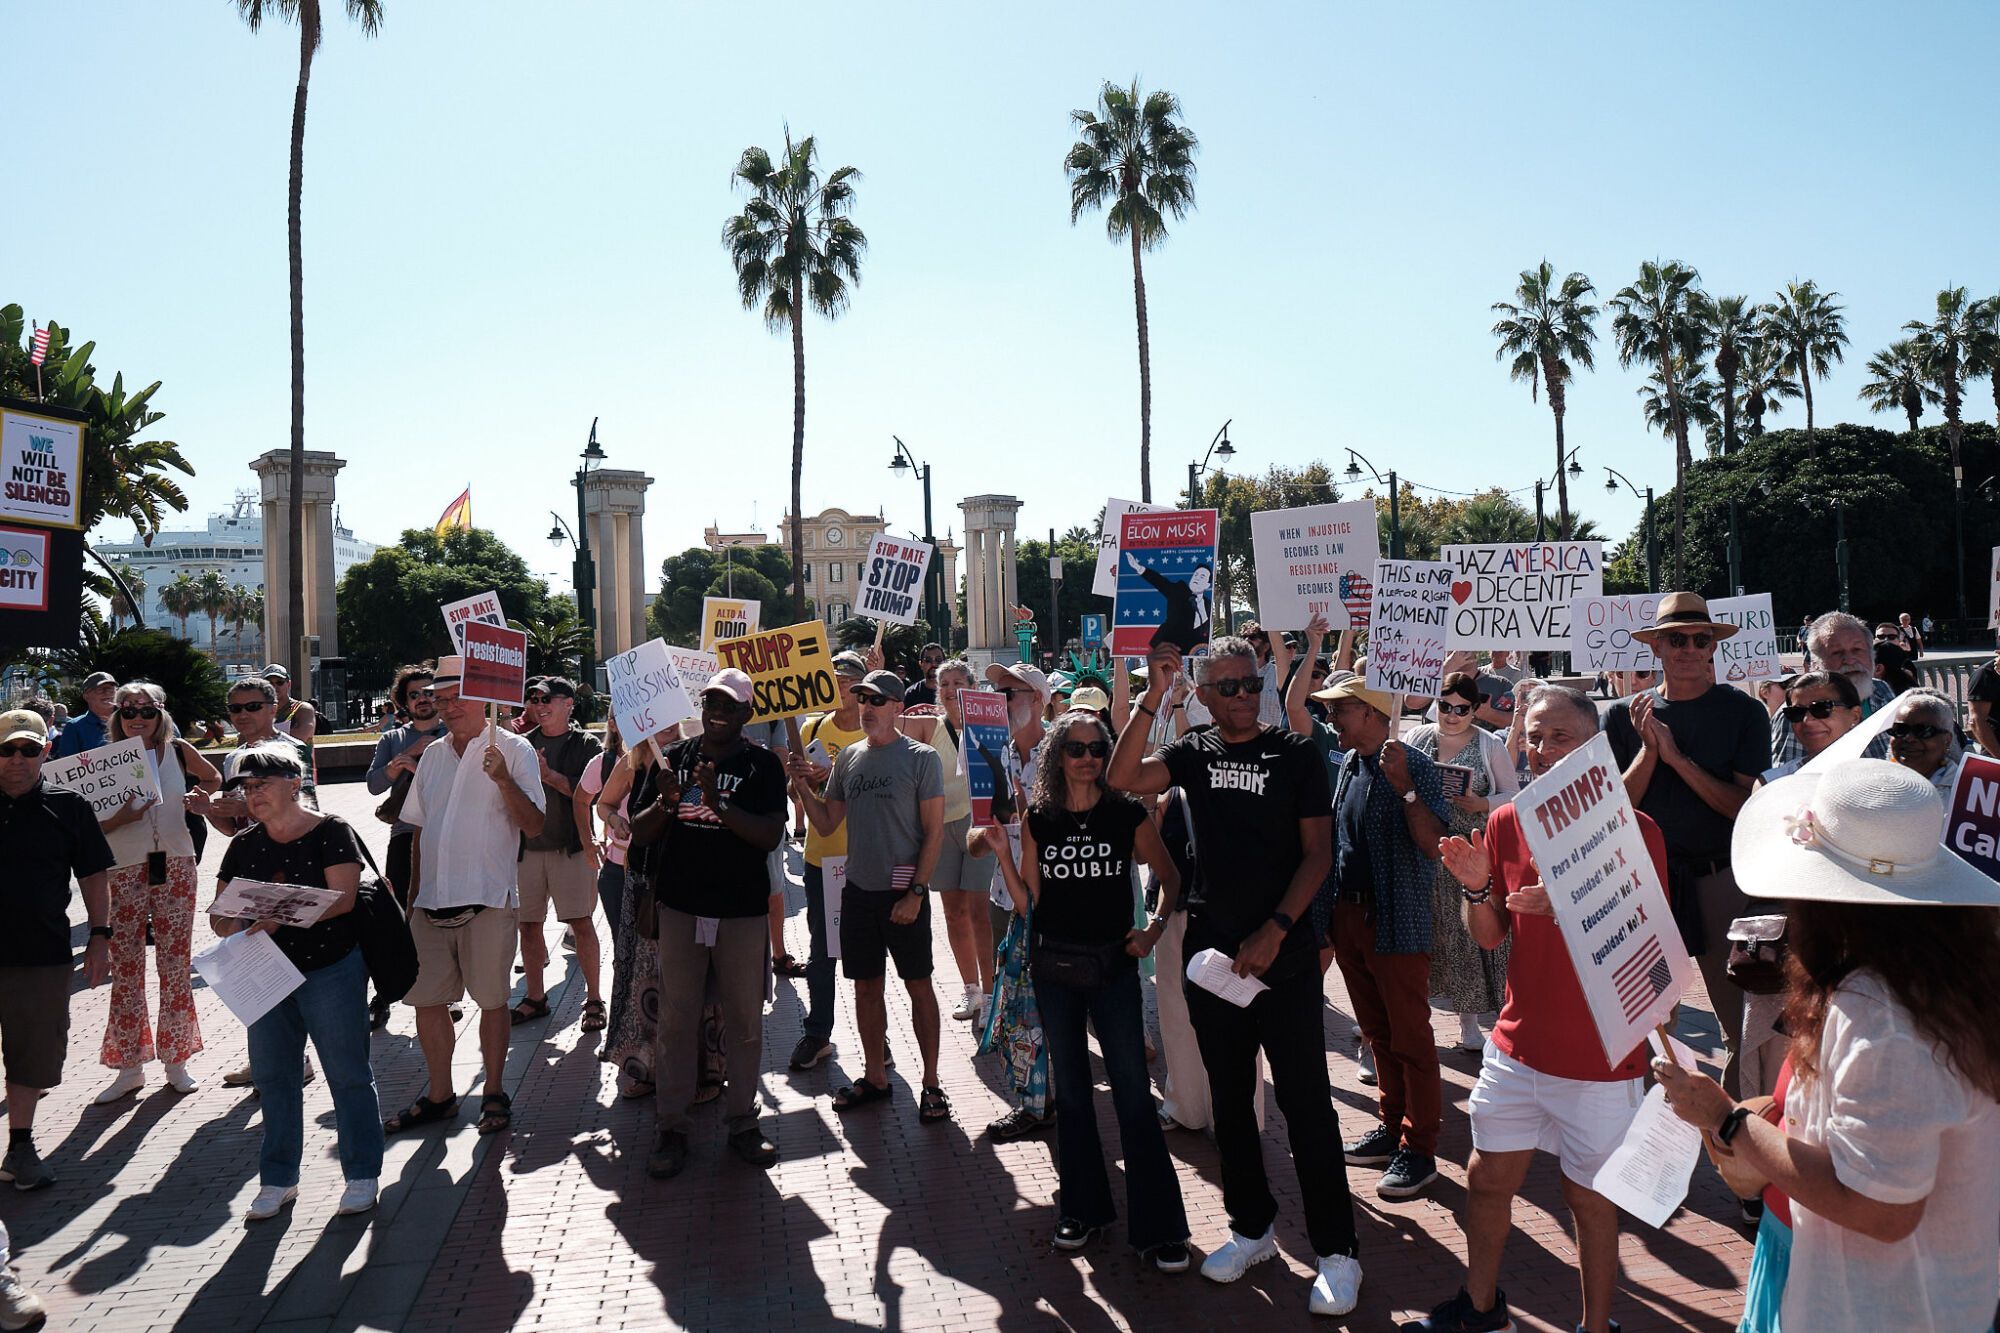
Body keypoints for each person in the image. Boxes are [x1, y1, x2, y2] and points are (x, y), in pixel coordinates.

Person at [1655, 759, 2000, 1333]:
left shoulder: (1882, 1016)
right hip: (1921, 1294)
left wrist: (1729, 1120)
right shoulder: (1940, 978)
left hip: (1882, 1307)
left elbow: (1880, 1209)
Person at [1107, 638, 1362, 1317]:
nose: (1244, 695)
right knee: (1230, 1102)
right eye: (1228, 687)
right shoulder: (1193, 751)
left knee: (1307, 1103)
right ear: (1203, 694)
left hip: (1285, 954)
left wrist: (1277, 927)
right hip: (1213, 960)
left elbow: (1318, 853)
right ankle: (1252, 1228)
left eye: (1251, 683)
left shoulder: (1295, 752)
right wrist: (1152, 696)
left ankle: (1338, 1250)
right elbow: (1122, 775)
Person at [1406, 687, 1669, 1333]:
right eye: (1533, 737)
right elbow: (1491, 935)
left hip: (1600, 1056)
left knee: (1587, 1199)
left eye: (1560, 738)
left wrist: (1579, 903)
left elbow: (1653, 950)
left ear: (1595, 750)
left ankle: (1596, 1324)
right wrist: (1475, 885)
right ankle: (1482, 1307)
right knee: (1486, 1178)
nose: (1543, 750)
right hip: (1517, 1046)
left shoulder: (1637, 831)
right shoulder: (1505, 822)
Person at [983, 710, 1190, 1271]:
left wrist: (1152, 929)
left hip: (1115, 969)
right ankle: (1081, 1208)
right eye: (1075, 749)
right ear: (1058, 756)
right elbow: (1029, 906)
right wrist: (1004, 855)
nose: (1088, 759)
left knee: (1131, 1094)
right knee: (1073, 1094)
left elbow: (1170, 878)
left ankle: (1162, 1227)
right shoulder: (1040, 820)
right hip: (1056, 971)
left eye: (1097, 749)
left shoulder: (1124, 814)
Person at [1606, 592, 1769, 1099]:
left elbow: (1740, 806)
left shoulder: (1744, 712)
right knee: (1648, 1018)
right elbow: (1616, 810)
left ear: (1713, 647)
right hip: (1647, 883)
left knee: (1741, 1017)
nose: (1689, 649)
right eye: (1677, 639)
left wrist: (1676, 759)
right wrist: (1650, 752)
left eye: (1701, 639)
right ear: (1656, 646)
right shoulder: (1622, 716)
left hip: (1721, 879)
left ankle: (1740, 1133)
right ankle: (1648, 1126)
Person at [210, 743, 383, 1219]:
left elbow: (344, 899)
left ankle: (362, 1173)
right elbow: (219, 919)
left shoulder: (331, 831)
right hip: (264, 974)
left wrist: (277, 914)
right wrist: (240, 920)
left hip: (330, 968)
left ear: (294, 783)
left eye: (260, 784)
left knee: (347, 1074)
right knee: (274, 1078)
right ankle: (278, 1179)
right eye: (245, 787)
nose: (252, 794)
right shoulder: (244, 844)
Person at [630, 669, 787, 1179]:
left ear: (747, 713)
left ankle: (742, 1120)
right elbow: (640, 834)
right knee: (677, 1020)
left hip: (740, 912)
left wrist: (717, 801)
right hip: (681, 908)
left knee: (744, 1021)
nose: (717, 711)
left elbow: (767, 836)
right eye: (711, 702)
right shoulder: (674, 758)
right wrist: (666, 801)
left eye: (729, 704)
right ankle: (671, 1125)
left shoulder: (762, 765)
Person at [384, 655, 545, 1139]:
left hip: (488, 899)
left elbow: (534, 824)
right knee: (426, 1002)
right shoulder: (432, 755)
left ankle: (493, 1090)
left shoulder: (513, 750)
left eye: (458, 698)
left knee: (493, 1001)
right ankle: (440, 1095)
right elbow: (418, 832)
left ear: (486, 701)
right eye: (440, 699)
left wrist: (501, 778)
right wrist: (412, 899)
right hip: (430, 903)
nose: (448, 707)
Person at [790, 669, 949, 1124]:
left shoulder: (921, 759)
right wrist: (802, 784)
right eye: (863, 700)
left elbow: (934, 832)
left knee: (919, 985)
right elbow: (824, 824)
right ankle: (876, 1077)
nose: (867, 708)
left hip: (904, 894)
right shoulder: (849, 760)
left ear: (898, 707)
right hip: (857, 891)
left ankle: (932, 1083)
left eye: (877, 700)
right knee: (865, 988)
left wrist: (917, 893)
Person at [1317, 673, 1451, 1200]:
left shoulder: (1410, 763)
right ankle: (1392, 1127)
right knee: (1377, 1034)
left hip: (1395, 920)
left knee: (1411, 1040)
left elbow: (1433, 843)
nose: (1332, 719)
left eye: (1342, 710)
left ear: (1372, 713)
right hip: (1351, 920)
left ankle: (1419, 1150)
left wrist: (1407, 788)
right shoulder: (1349, 762)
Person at [0, 709, 114, 1191]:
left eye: (29, 749)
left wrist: (100, 937)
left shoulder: (68, 807)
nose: (17, 759)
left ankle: (21, 1147)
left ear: (46, 752)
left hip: (41, 953)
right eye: (6, 749)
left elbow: (93, 874)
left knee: (33, 1054)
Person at [95, 682, 221, 1102]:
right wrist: (122, 815)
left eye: (146, 711)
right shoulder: (103, 763)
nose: (137, 718)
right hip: (125, 868)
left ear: (160, 714)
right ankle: (129, 1067)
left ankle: (176, 1061)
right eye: (128, 711)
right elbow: (90, 827)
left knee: (174, 963)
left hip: (176, 862)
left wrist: (200, 796)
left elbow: (213, 776)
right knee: (126, 967)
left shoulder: (179, 750)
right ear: (117, 717)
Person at [1406, 672, 1520, 1053]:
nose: (1452, 715)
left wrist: (1482, 804)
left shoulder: (1490, 745)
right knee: (1432, 935)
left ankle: (1469, 1023)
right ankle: (1416, 1012)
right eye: (1445, 705)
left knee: (1468, 937)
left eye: (1461, 708)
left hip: (1470, 856)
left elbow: (1513, 794)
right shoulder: (1417, 739)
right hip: (1426, 854)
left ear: (1475, 710)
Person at [981, 659, 1059, 1142]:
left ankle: (1049, 1100)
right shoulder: (995, 753)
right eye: (999, 693)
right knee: (1018, 1004)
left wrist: (1021, 807)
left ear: (1038, 699)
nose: (1003, 701)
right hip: (1005, 892)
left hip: (1052, 897)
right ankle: (1037, 1101)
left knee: (1051, 1003)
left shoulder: (1064, 751)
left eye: (1012, 692)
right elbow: (977, 837)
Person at [896, 660, 997, 1026]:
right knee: (953, 913)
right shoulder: (929, 726)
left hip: (979, 826)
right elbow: (888, 716)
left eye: (958, 682)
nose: (951, 689)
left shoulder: (988, 722)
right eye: (944, 684)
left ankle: (990, 994)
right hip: (941, 827)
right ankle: (970, 990)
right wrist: (876, 674)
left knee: (978, 911)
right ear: (937, 691)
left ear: (971, 684)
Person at [787, 649, 870, 1071]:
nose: (839, 685)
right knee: (822, 951)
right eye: (834, 678)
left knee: (867, 954)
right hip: (822, 859)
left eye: (848, 679)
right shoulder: (812, 727)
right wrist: (802, 780)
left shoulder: (874, 732)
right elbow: (793, 791)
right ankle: (817, 1032)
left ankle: (878, 1041)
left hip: (866, 859)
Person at [511, 677, 605, 1033]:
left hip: (571, 849)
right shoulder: (521, 745)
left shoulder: (585, 744)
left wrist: (548, 775)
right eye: (534, 698)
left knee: (580, 922)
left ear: (568, 703)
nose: (539, 704)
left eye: (547, 698)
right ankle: (535, 998)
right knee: (528, 926)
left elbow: (590, 796)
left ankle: (594, 999)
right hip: (528, 851)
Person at [364, 664, 445, 1027]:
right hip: (405, 835)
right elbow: (374, 785)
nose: (424, 699)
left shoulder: (455, 732)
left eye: (430, 691)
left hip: (447, 833)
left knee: (443, 908)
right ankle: (387, 992)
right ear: (404, 701)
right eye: (415, 694)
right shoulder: (393, 739)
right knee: (400, 912)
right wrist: (405, 758)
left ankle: (444, 990)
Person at [1772, 612, 1895, 767]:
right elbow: (1789, 782)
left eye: (1857, 650)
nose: (1850, 660)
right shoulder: (1797, 714)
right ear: (1816, 665)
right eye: (1837, 653)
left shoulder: (1881, 689)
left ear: (1872, 656)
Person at [1758, 671, 1862, 784]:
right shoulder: (1773, 782)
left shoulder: (1879, 774)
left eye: (1821, 709)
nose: (1807, 721)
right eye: (1797, 712)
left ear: (1855, 715)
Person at [1123, 549, 1212, 654]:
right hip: (1164, 648)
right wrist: (1139, 568)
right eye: (1195, 575)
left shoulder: (1208, 604)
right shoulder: (1179, 590)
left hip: (1191, 653)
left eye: (1202, 577)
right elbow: (1160, 582)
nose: (1197, 578)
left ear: (1207, 585)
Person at [1886, 690, 1962, 808]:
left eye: (1923, 731)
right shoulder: (1872, 783)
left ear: (1947, 740)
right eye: (1900, 729)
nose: (1909, 738)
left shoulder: (1970, 793)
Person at [53, 670, 119, 759]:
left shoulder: (129, 719)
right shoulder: (74, 727)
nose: (107, 692)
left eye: (111, 689)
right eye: (100, 689)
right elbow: (67, 766)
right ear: (86, 696)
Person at [263, 663, 318, 742]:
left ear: (289, 684)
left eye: (280, 682)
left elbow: (301, 736)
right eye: (269, 683)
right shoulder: (258, 711)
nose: (274, 687)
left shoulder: (302, 709)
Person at [902, 643, 947, 707]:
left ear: (944, 663)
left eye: (938, 660)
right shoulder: (911, 694)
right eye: (928, 660)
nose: (934, 664)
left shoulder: (952, 692)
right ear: (921, 664)